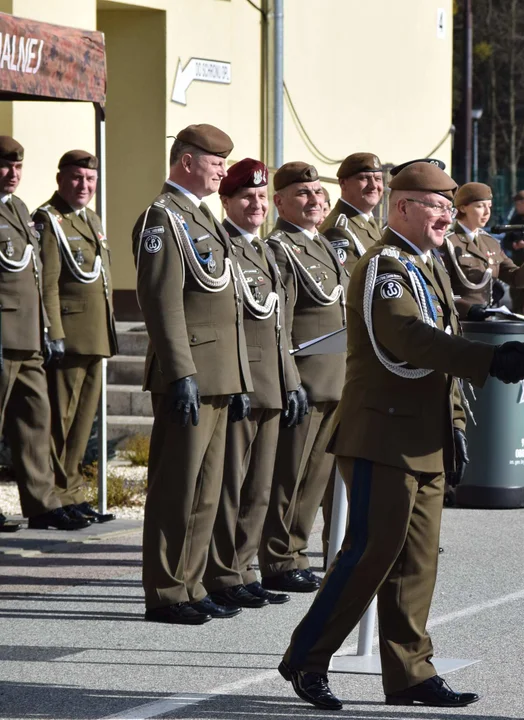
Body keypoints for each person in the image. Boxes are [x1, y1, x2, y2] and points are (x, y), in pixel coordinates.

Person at [277, 158, 524, 711]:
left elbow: (445, 334)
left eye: (449, 207)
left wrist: (457, 424)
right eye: (437, 206)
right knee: (370, 554)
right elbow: (411, 338)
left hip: (426, 435)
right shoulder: (385, 267)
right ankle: (306, 657)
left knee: (417, 562)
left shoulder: (428, 263)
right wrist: (492, 362)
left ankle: (411, 674)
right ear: (403, 207)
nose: (447, 216)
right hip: (383, 435)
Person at [133, 124, 253, 625]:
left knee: (206, 490)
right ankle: (164, 590)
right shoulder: (163, 218)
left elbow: (229, 306)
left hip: (220, 373)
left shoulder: (201, 218)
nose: (223, 171)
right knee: (176, 488)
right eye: (215, 162)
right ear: (186, 162)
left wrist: (241, 375)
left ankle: (190, 581)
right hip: (192, 373)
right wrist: (180, 372)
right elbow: (161, 301)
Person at [202, 158, 305, 610]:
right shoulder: (222, 246)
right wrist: (240, 380)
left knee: (260, 486)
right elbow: (231, 324)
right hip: (243, 379)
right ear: (226, 201)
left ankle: (245, 567)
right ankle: (222, 572)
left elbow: (280, 326)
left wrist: (293, 381)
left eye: (262, 197)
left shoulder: (264, 250)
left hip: (273, 380)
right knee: (231, 484)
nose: (257, 204)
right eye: (247, 196)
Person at [261, 162, 346, 594]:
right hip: (305, 378)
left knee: (314, 478)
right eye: (303, 194)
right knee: (289, 476)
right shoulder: (280, 248)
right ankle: (277, 557)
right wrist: (290, 379)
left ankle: (295, 550)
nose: (315, 201)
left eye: (318, 194)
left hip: (335, 376)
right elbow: (281, 323)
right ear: (279, 202)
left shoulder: (323, 245)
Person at [0, 136, 89, 532]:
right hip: (3, 334)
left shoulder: (18, 209)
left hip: (29, 336)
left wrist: (47, 328)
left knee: (36, 422)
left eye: (17, 168)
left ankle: (41, 504)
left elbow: (34, 273)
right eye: (4, 167)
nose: (11, 175)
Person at [36, 150, 117, 526]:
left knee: (83, 423)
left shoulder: (91, 219)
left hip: (96, 334)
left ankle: (72, 491)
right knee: (60, 422)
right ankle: (53, 495)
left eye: (90, 179)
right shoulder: (49, 219)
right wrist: (54, 332)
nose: (84, 186)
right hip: (68, 336)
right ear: (59, 180)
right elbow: (48, 282)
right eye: (76, 178)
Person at [439, 181, 524, 320]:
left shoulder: (490, 242)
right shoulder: (447, 242)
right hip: (458, 321)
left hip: (487, 322)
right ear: (463, 208)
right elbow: (440, 291)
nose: (487, 212)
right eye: (480, 206)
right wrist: (468, 309)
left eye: (489, 206)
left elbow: (516, 279)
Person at [321, 151, 384, 274]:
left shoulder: (369, 223)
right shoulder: (338, 230)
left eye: (378, 179)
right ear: (343, 184)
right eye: (364, 178)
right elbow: (349, 284)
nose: (373, 185)